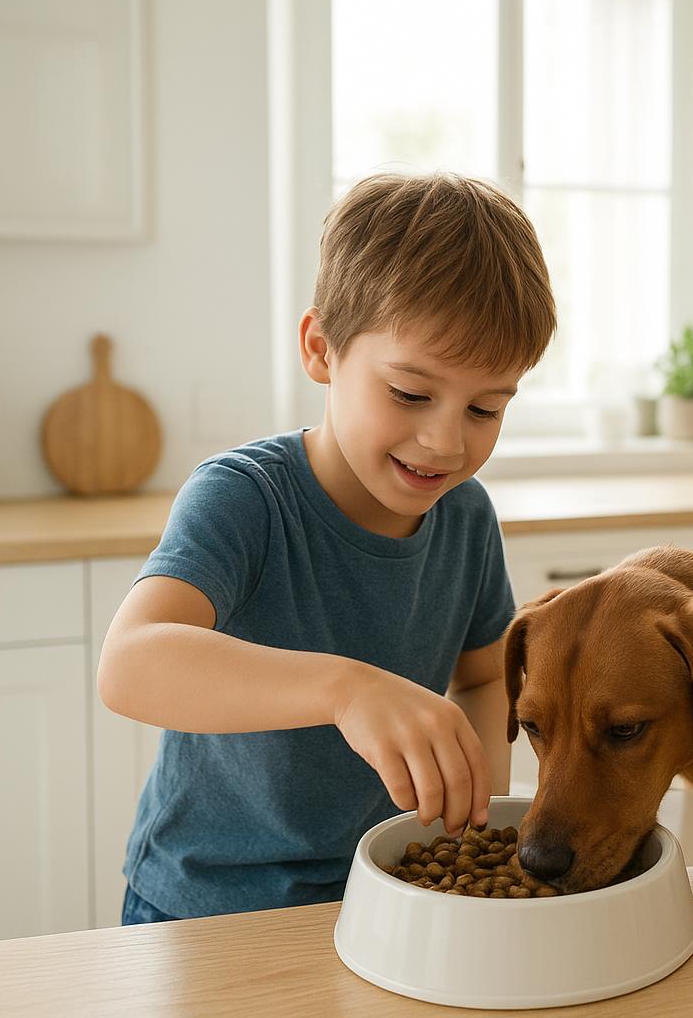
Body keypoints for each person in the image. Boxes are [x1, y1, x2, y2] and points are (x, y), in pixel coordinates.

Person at [97, 172, 556, 922]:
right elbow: (129, 663)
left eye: (485, 407)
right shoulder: (246, 498)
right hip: (207, 906)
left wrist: (478, 821)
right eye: (410, 393)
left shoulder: (466, 515)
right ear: (321, 349)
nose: (446, 440)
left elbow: (483, 680)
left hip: (381, 896)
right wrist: (347, 689)